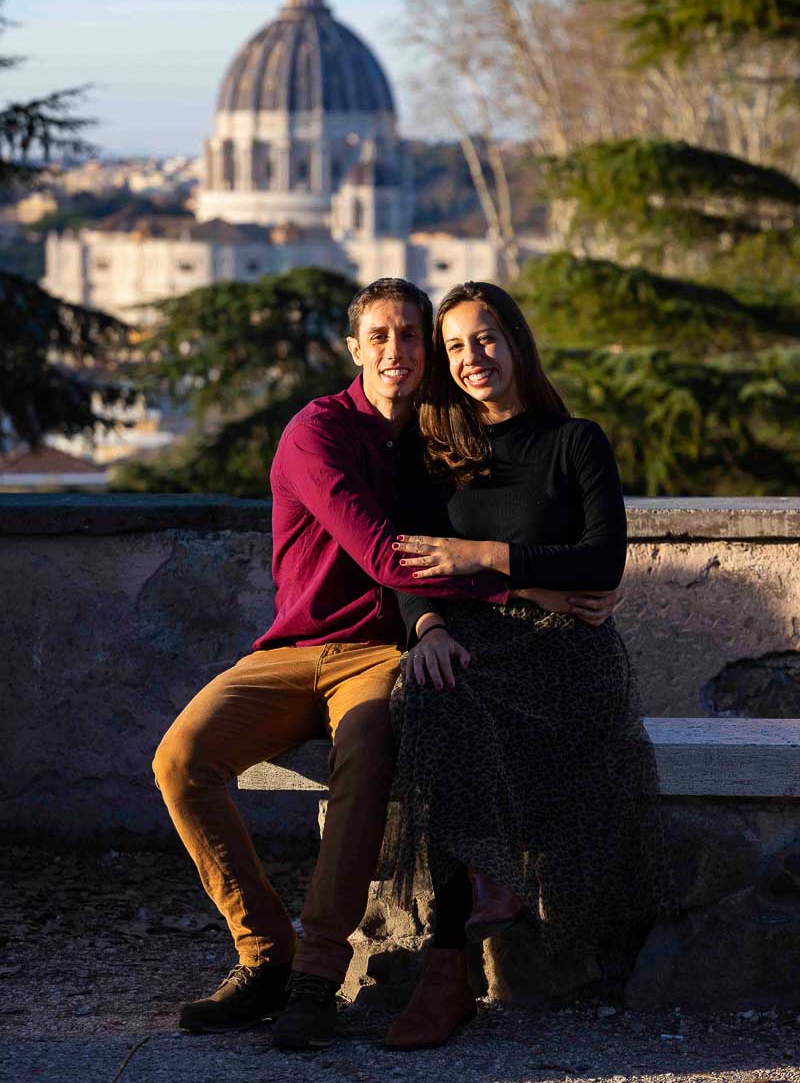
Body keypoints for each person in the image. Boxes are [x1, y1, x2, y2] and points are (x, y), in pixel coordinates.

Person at [152, 277, 617, 1053]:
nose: (398, 351)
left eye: (411, 337)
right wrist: (527, 584)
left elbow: (562, 531)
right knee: (179, 760)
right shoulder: (319, 432)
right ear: (355, 349)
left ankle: (315, 977)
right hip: (293, 648)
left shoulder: (437, 443)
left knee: (368, 754)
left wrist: (438, 617)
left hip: (378, 653)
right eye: (381, 337)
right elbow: (385, 554)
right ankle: (265, 951)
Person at [381, 282, 672, 1051]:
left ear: (514, 342)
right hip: (469, 638)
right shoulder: (432, 451)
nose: (471, 358)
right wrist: (432, 626)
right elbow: (409, 565)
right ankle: (451, 971)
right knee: (434, 694)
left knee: (453, 710)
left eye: (484, 339)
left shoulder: (576, 441)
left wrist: (480, 557)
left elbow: (602, 562)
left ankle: (482, 901)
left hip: (565, 648)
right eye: (453, 347)